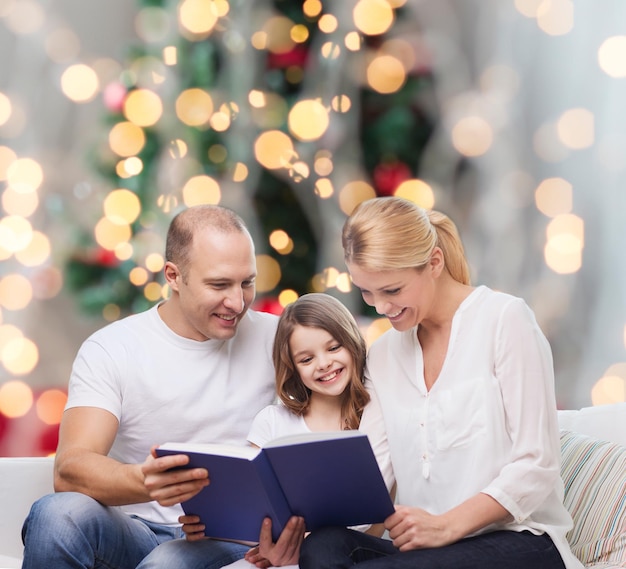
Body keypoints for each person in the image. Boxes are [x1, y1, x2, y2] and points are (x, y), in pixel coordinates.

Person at [299, 196, 584, 569]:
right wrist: (295, 533)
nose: (380, 307)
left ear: (434, 262)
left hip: (521, 542)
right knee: (324, 546)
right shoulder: (384, 355)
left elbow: (536, 466)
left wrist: (446, 526)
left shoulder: (505, 320)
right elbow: (373, 473)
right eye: (367, 292)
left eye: (392, 290)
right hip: (429, 553)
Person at [20, 204, 294, 569]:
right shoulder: (112, 348)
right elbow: (70, 468)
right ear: (173, 276)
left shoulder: (278, 339)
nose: (238, 301)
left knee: (165, 565)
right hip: (135, 530)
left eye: (247, 282)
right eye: (219, 284)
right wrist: (142, 481)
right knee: (57, 515)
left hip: (231, 539)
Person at [174, 293, 394, 569]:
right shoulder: (273, 422)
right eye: (306, 359)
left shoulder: (376, 417)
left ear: (352, 342)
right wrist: (211, 525)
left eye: (334, 347)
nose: (323, 363)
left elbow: (375, 522)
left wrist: (305, 545)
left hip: (345, 555)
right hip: (276, 555)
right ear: (292, 368)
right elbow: (252, 508)